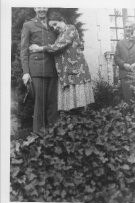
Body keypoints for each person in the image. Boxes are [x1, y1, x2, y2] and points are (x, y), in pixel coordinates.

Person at [29, 12, 95, 112]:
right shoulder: (61, 34)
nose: (54, 28)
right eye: (52, 27)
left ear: (61, 20)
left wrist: (39, 48)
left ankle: (83, 123)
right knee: (71, 105)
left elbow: (57, 46)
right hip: (67, 72)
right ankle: (74, 124)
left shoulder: (70, 28)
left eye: (55, 24)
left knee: (80, 103)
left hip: (76, 71)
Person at [20, 7, 58, 136]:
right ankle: (39, 139)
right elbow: (24, 50)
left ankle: (54, 137)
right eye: (38, 6)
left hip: (53, 68)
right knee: (39, 106)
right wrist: (26, 72)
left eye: (44, 6)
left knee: (53, 105)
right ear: (34, 8)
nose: (42, 9)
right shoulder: (28, 25)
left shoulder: (53, 24)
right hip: (37, 69)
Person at [114, 21, 135, 103]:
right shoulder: (119, 43)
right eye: (126, 27)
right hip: (124, 73)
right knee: (127, 99)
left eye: (130, 27)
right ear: (124, 29)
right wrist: (124, 64)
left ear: (133, 29)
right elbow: (116, 57)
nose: (128, 29)